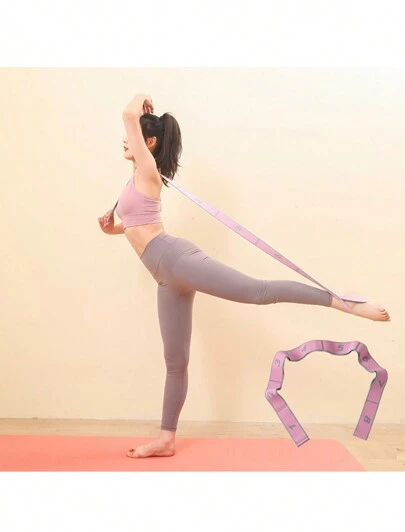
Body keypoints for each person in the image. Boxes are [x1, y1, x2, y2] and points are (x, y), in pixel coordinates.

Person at [98, 93, 391, 459]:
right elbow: (137, 224)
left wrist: (142, 103)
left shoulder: (147, 170)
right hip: (165, 279)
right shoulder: (134, 179)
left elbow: (128, 113)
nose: (125, 140)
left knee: (258, 291)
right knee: (175, 362)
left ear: (150, 143)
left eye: (133, 136)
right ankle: (166, 439)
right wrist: (113, 229)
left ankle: (347, 304)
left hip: (176, 259)